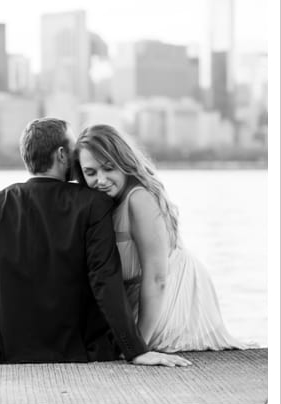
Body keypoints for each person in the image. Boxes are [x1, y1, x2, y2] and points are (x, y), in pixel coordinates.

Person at [0, 117, 191, 366]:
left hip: (11, 348)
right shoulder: (93, 204)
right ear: (62, 155)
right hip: (81, 348)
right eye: (74, 153)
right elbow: (105, 281)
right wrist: (137, 351)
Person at [71, 124, 252, 352]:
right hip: (138, 298)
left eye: (109, 168)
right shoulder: (102, 203)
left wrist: (139, 348)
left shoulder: (139, 199)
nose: (101, 179)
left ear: (124, 163)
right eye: (91, 172)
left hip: (173, 296)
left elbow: (157, 278)